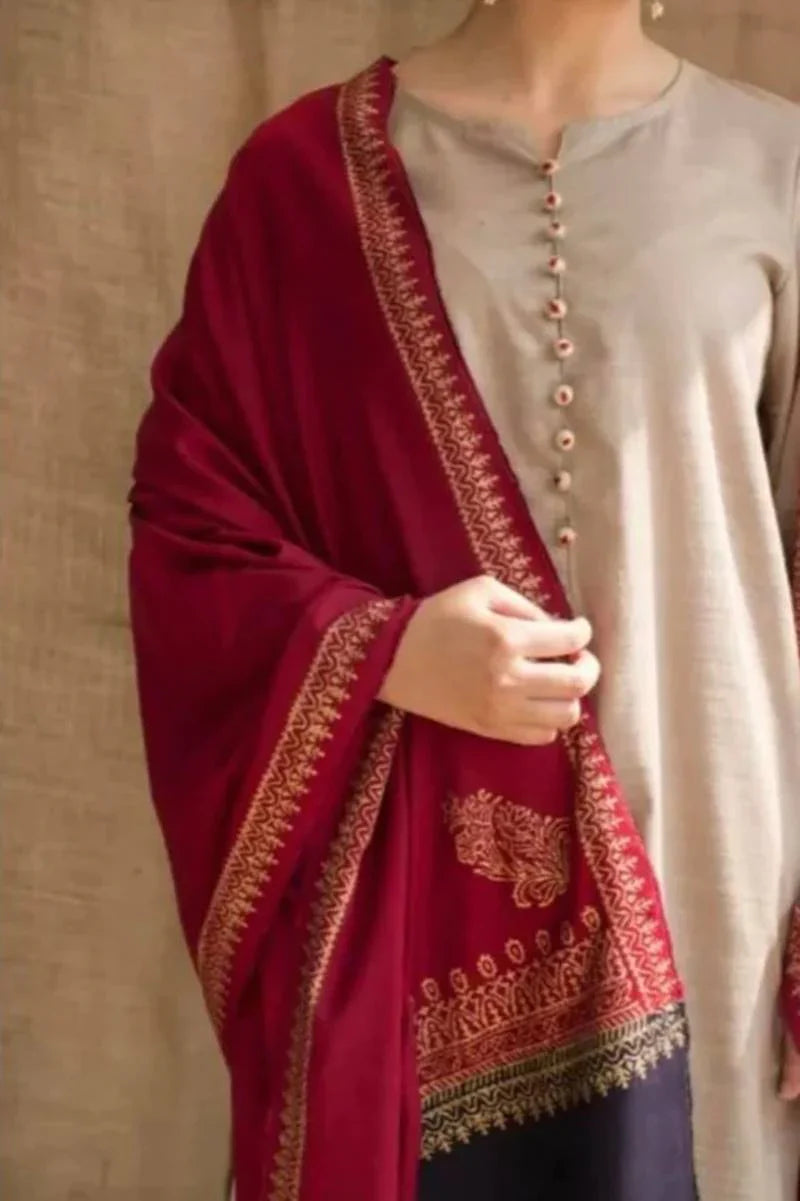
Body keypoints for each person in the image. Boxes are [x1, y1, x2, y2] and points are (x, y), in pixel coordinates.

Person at [128, 1, 800, 1198]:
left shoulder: (777, 165)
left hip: (727, 859)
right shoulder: (300, 184)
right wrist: (382, 650)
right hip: (430, 898)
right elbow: (193, 527)